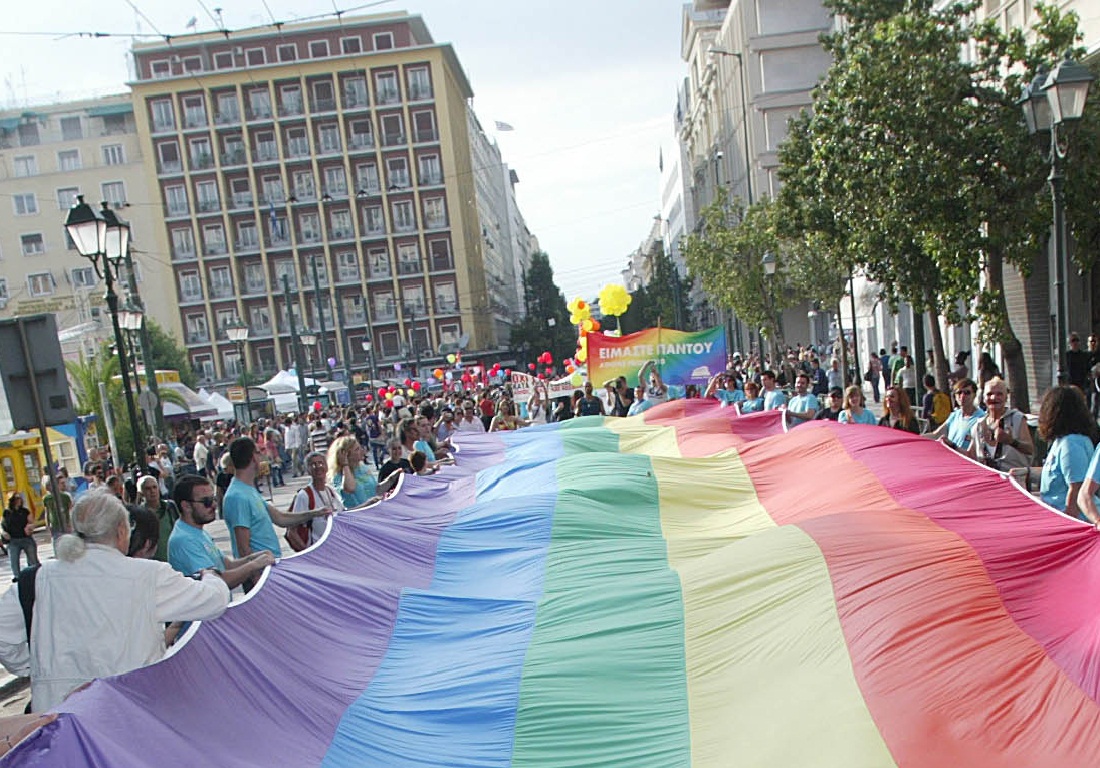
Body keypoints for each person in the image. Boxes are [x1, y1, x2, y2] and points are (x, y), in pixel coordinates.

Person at [0, 490, 231, 712]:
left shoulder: (39, 577)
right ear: (121, 530)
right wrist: (211, 576)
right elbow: (214, 601)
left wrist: (34, 668)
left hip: (57, 719)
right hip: (128, 713)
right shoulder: (147, 575)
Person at [221, 437, 330, 563]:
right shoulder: (237, 496)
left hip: (271, 564)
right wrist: (256, 576)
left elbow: (280, 518)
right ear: (253, 458)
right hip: (260, 571)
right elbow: (243, 549)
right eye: (258, 452)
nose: (262, 455)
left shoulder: (248, 490)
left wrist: (315, 513)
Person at [1037, 386, 1098, 515]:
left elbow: (1076, 488)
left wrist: (1068, 527)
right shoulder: (1060, 442)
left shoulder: (1072, 443)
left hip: (1073, 520)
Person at [965, 377, 1033, 471]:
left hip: (1013, 478)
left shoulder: (1017, 419)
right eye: (989, 394)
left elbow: (1030, 450)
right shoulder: (979, 425)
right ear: (983, 399)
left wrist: (1011, 441)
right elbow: (970, 456)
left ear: (1006, 397)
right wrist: (951, 446)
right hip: (988, 480)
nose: (993, 398)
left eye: (999, 394)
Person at [288, 453, 344, 550]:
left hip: (336, 549)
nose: (318, 467)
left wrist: (368, 504)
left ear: (326, 467)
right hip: (319, 551)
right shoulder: (304, 495)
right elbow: (292, 532)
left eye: (321, 463)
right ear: (308, 470)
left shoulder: (330, 491)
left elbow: (344, 514)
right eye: (313, 465)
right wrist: (308, 553)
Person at [928, 378, 985, 453]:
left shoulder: (981, 418)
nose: (962, 396)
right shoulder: (955, 415)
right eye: (959, 393)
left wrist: (952, 446)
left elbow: (974, 454)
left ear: (974, 395)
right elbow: (936, 435)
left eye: (967, 392)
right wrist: (914, 437)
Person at [137, 475, 179, 563]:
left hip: (176, 559)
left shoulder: (170, 507)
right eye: (147, 488)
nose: (152, 491)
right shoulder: (139, 515)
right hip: (155, 563)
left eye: (154, 487)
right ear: (141, 493)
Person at [328, 435, 377, 510]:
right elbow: (350, 488)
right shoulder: (339, 475)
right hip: (356, 517)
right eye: (357, 449)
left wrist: (391, 479)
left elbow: (376, 488)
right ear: (346, 454)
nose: (362, 451)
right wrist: (345, 464)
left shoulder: (363, 468)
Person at [2, 494, 38, 582]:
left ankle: (34, 575)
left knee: (33, 560)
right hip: (13, 540)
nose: (19, 500)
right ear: (12, 500)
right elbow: (2, 525)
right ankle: (17, 577)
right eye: (17, 498)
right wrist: (3, 533)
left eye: (20, 498)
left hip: (26, 538)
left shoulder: (25, 511)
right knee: (14, 560)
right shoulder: (6, 512)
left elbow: (32, 522)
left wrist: (30, 527)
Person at [41, 477, 72, 544]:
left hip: (64, 524)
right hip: (55, 525)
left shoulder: (65, 496)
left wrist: (70, 523)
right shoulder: (46, 498)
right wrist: (47, 525)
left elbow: (70, 510)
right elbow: (47, 512)